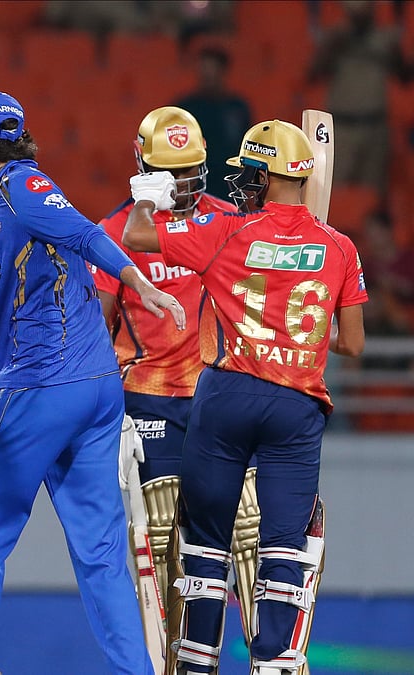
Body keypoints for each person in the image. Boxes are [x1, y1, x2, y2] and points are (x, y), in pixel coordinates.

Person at [0, 91, 185, 675]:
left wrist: (139, 283)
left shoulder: (23, 186)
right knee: (101, 551)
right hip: (94, 388)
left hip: (41, 386)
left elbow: (85, 235)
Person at [123, 119, 367, 674]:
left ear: (265, 174)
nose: (242, 183)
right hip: (296, 406)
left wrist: (146, 199)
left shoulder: (228, 231)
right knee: (282, 548)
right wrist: (298, 335)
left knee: (205, 544)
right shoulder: (340, 246)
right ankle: (274, 661)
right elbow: (352, 344)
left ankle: (196, 661)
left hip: (227, 396)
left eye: (249, 172)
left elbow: (137, 236)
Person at [94, 104, 239, 599]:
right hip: (148, 400)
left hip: (217, 394)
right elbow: (98, 327)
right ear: (140, 163)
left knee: (229, 537)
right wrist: (105, 410)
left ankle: (210, 640)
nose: (178, 183)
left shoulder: (229, 220)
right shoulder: (113, 232)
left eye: (188, 170)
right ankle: (163, 645)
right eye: (166, 172)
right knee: (159, 542)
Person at [307, 0, 413, 188]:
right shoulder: (336, 39)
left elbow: (404, 77)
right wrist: (330, 48)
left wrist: (397, 52)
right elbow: (314, 74)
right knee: (333, 192)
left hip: (375, 128)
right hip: (342, 128)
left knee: (373, 195)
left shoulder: (385, 39)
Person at [173, 45, 253, 202]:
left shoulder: (238, 108)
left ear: (222, 71)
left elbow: (247, 149)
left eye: (212, 69)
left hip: (229, 187)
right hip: (195, 187)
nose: (207, 74)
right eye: (204, 69)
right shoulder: (185, 109)